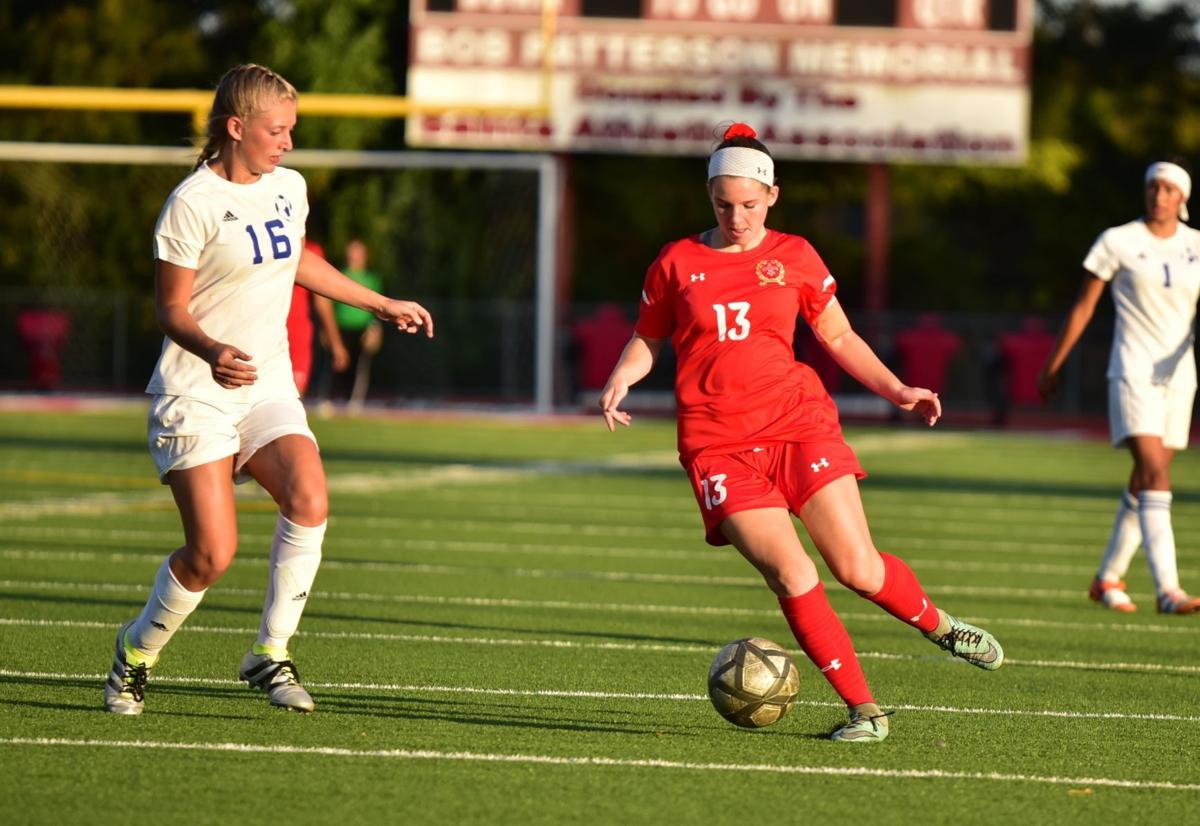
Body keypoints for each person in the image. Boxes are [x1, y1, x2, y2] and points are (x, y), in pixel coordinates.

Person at [598, 123, 1004, 743]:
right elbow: (648, 338)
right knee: (793, 575)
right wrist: (622, 377)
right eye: (723, 204)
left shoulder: (796, 256)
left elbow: (837, 336)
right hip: (717, 445)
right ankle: (865, 712)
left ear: (773, 195)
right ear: (710, 196)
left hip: (798, 425)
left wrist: (898, 390)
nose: (737, 217)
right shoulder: (677, 261)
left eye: (750, 205)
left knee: (859, 570)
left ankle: (939, 625)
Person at [103, 63, 434, 716]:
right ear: (236, 128)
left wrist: (378, 303)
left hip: (267, 385)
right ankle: (136, 652)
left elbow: (298, 260)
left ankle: (269, 652)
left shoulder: (290, 186)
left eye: (291, 130)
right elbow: (170, 309)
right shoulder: (191, 203)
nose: (287, 143)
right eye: (276, 130)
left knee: (310, 496)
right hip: (195, 392)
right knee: (210, 554)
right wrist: (213, 350)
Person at [1037, 159, 1200, 616]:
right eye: (1153, 186)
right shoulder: (1118, 240)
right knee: (1156, 472)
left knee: (1144, 479)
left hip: (1179, 376)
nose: (1159, 195)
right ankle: (1169, 590)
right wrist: (1054, 364)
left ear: (1183, 198)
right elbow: (1083, 307)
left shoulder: (1196, 246)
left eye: (1169, 188)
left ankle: (1106, 577)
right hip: (1131, 370)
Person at [288, 239, 349, 396]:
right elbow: (322, 304)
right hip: (289, 333)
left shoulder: (310, 251)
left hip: (296, 334)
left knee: (291, 400)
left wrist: (335, 343)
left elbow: (322, 302)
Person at [331, 239, 384, 409]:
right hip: (341, 327)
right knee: (337, 363)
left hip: (361, 329)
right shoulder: (339, 274)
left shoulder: (371, 278)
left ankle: (353, 402)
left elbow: (379, 306)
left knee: (358, 366)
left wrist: (375, 329)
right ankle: (330, 398)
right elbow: (330, 305)